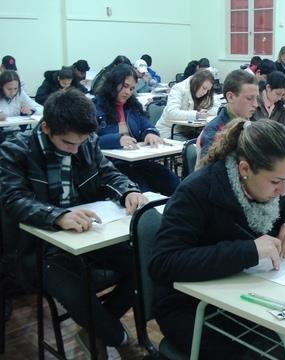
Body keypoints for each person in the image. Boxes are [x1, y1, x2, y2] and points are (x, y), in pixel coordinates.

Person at [149, 118, 285, 360]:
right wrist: (249, 251)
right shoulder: (196, 191)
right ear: (245, 169)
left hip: (251, 296)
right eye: (276, 182)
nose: (283, 191)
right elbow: (163, 262)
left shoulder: (271, 184)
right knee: (273, 354)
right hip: (192, 308)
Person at [0, 89, 147, 359]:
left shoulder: (85, 142)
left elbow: (107, 172)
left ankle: (97, 328)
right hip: (39, 249)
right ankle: (119, 337)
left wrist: (128, 190)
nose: (76, 149)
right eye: (68, 143)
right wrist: (56, 216)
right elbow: (13, 199)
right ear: (46, 128)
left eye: (82, 142)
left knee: (146, 264)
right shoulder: (15, 151)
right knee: (76, 289)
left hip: (88, 237)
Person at [93, 64, 180, 196]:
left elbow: (147, 124)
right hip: (112, 165)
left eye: (132, 88)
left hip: (139, 161)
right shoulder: (95, 107)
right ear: (113, 84)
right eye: (124, 86)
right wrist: (117, 140)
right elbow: (90, 141)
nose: (128, 92)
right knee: (142, 189)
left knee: (172, 181)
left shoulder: (133, 106)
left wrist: (150, 133)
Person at [198, 69, 258, 157]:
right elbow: (210, 168)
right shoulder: (214, 132)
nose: (256, 104)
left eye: (257, 98)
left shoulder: (252, 123)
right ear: (230, 97)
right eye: (249, 98)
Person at [155, 69, 220, 139]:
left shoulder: (204, 93)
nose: (205, 92)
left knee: (210, 141)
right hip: (169, 131)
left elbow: (217, 108)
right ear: (196, 82)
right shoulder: (178, 88)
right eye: (204, 88)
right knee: (192, 147)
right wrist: (196, 114)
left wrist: (206, 112)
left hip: (188, 131)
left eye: (208, 90)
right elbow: (171, 112)